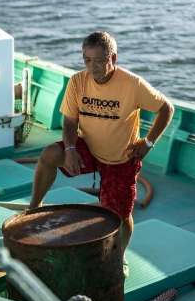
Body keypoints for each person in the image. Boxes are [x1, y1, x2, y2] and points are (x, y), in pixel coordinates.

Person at [29, 31, 174, 275]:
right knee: (49, 155)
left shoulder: (132, 84)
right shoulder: (77, 81)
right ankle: (34, 208)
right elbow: (68, 122)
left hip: (121, 158)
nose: (92, 67)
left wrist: (148, 143)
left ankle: (120, 255)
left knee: (119, 213)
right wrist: (72, 148)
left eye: (98, 61)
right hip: (88, 147)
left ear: (113, 58)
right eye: (86, 60)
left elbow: (166, 108)